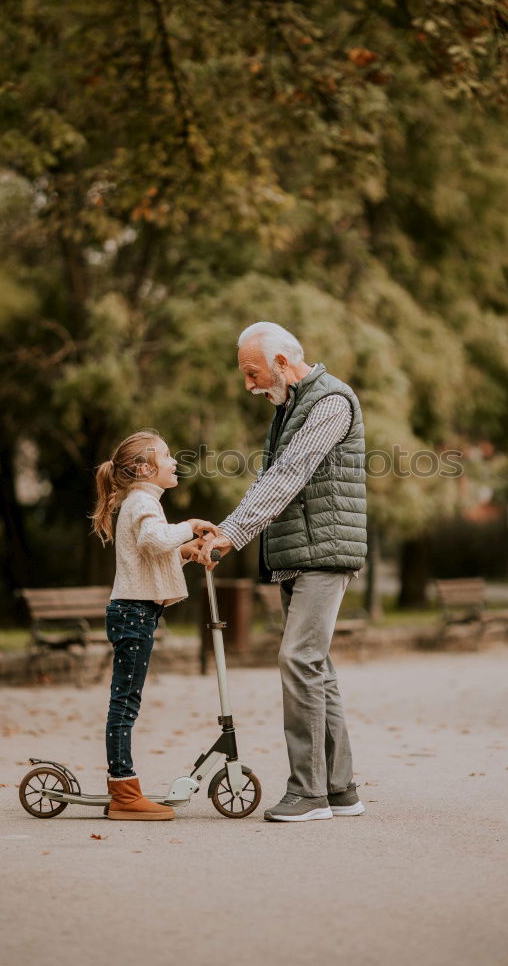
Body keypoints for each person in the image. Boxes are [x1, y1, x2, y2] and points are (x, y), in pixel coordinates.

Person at [198, 322, 368, 823]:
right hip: (300, 553)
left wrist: (231, 533)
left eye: (251, 373)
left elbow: (290, 474)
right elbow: (275, 477)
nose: (248, 385)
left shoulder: (331, 402)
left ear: (280, 362)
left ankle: (308, 792)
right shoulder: (291, 405)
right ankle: (340, 790)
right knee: (317, 667)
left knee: (298, 658)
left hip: (324, 554)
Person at [91, 429, 218, 821]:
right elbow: (151, 538)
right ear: (145, 468)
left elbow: (149, 553)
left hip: (135, 611)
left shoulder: (140, 500)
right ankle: (124, 792)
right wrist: (191, 525)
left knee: (126, 702)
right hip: (133, 613)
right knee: (124, 704)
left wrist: (186, 551)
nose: (174, 461)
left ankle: (124, 787)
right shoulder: (143, 501)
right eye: (166, 455)